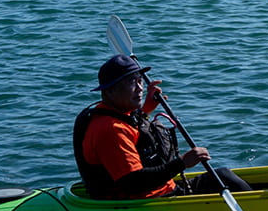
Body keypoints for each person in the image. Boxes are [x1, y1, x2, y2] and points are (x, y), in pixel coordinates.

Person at [73, 54, 253, 199]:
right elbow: (133, 182)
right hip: (148, 200)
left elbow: (134, 133)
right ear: (109, 91)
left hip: (161, 190)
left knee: (224, 174)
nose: (139, 88)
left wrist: (147, 109)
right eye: (130, 82)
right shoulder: (110, 129)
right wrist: (182, 163)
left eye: (139, 80)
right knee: (224, 177)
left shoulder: (117, 114)